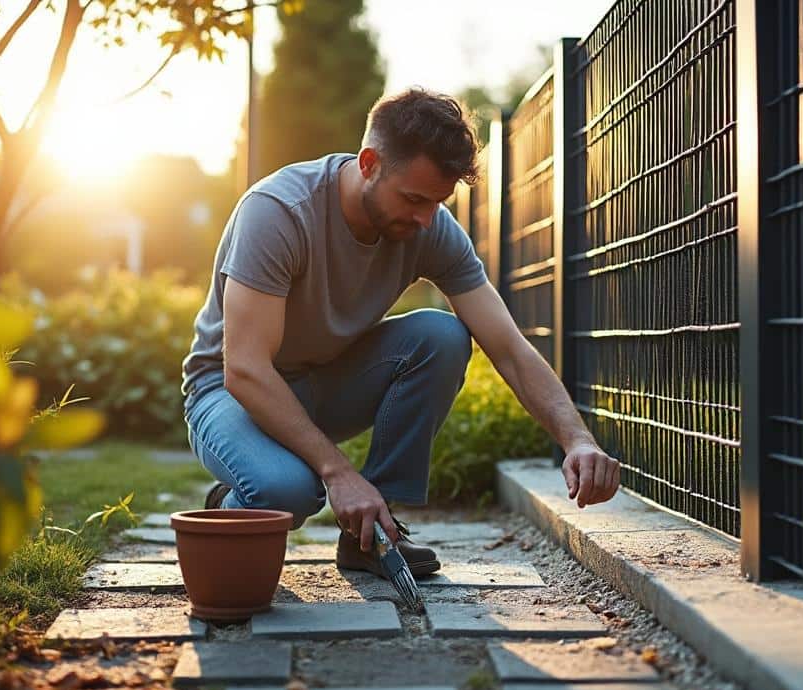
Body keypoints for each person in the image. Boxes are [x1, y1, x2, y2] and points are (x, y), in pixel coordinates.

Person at [180, 87, 620, 579]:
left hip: (325, 383)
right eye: (413, 199)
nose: (425, 218)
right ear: (369, 163)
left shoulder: (429, 226)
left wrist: (577, 439)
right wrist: (339, 473)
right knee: (290, 491)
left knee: (441, 336)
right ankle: (230, 505)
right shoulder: (280, 211)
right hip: (228, 392)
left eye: (437, 202)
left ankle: (374, 535)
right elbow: (244, 369)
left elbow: (509, 348)